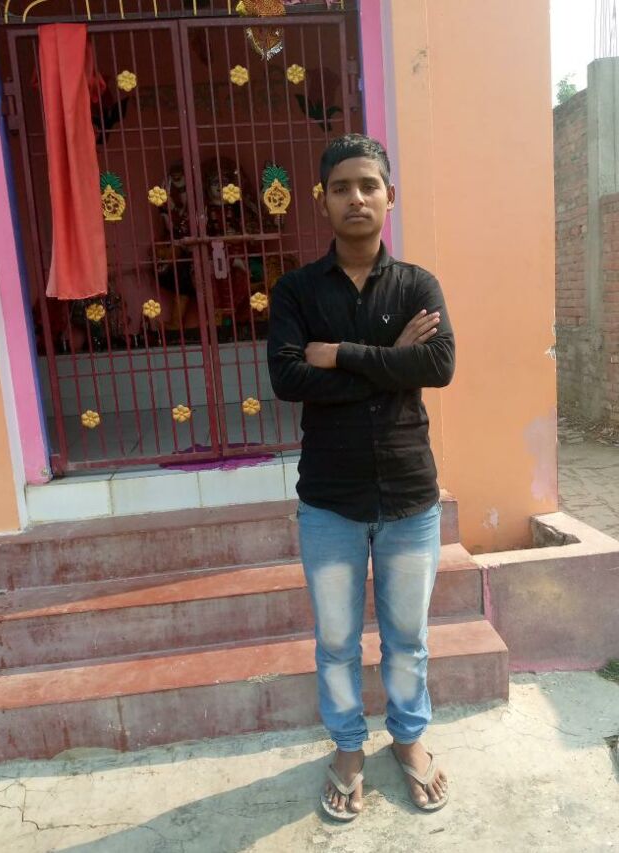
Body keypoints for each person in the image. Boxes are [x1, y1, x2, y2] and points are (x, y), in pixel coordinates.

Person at [267, 134, 455, 820]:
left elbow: (437, 366)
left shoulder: (418, 286)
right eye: (342, 187)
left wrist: (342, 354)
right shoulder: (296, 291)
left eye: (368, 185)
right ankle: (348, 748)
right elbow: (289, 379)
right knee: (336, 642)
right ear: (323, 200)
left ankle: (408, 738)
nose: (356, 197)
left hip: (409, 496)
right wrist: (388, 361)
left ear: (389, 196)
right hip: (330, 502)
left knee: (408, 638)